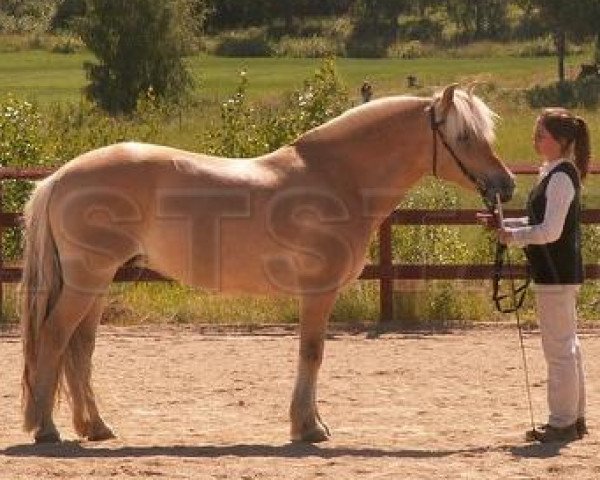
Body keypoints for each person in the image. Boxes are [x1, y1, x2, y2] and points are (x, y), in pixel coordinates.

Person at [495, 108, 591, 443]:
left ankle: (563, 422)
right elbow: (544, 225)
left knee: (559, 350)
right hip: (558, 272)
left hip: (556, 273)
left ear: (561, 141)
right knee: (568, 347)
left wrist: (515, 235)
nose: (536, 141)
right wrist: (509, 228)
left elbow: (550, 232)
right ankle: (574, 419)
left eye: (542, 136)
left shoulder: (561, 177)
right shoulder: (556, 173)